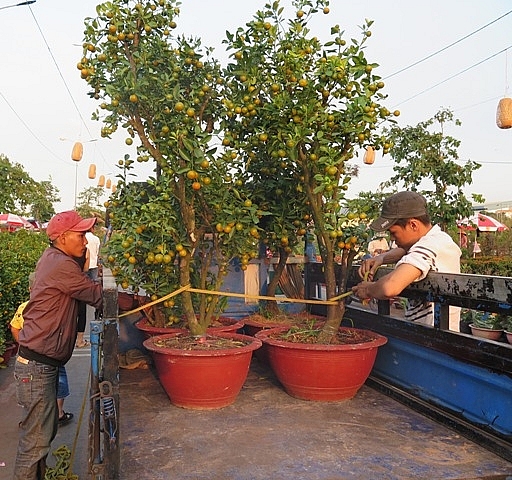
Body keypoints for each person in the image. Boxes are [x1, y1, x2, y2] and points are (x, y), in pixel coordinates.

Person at [13, 210, 103, 480]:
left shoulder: (57, 259)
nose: (85, 241)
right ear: (62, 238)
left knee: (43, 434)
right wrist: (138, 302)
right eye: (80, 235)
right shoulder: (61, 265)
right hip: (37, 366)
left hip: (41, 364)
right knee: (35, 443)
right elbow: (95, 295)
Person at [352, 191, 461, 331]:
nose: (392, 239)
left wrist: (367, 289)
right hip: (437, 333)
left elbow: (390, 287)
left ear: (413, 225)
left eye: (393, 232)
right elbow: (406, 250)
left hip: (431, 338)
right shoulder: (438, 239)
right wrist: (381, 258)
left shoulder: (430, 245)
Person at [10, 273, 74, 427]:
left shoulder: (24, 307)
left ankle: (31, 419)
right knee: (59, 382)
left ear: (30, 288)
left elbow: (14, 328)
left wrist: (23, 343)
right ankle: (59, 413)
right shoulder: (52, 306)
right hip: (51, 355)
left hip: (28, 357)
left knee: (29, 390)